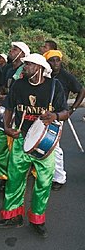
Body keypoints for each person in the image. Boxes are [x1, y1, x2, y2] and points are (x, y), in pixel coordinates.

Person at [0, 53, 69, 238]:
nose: (24, 67)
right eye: (25, 64)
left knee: (44, 182)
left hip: (45, 143)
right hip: (21, 139)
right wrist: (7, 127)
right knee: (14, 179)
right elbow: (9, 107)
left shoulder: (54, 86)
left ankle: (37, 220)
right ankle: (13, 216)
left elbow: (65, 112)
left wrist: (56, 116)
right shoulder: (19, 85)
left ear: (39, 68)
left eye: (28, 64)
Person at [0, 42, 31, 194]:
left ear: (22, 54)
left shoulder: (25, 71)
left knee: (15, 150)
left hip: (19, 115)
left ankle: (13, 182)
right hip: (6, 110)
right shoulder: (8, 69)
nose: (11, 51)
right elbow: (3, 87)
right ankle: (4, 178)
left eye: (15, 49)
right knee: (0, 146)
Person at [44, 50, 85, 191]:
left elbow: (81, 90)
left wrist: (72, 109)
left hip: (58, 115)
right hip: (42, 115)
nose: (55, 63)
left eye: (57, 60)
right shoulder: (44, 74)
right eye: (52, 60)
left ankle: (59, 178)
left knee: (55, 147)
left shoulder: (66, 76)